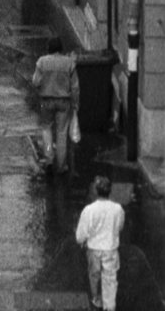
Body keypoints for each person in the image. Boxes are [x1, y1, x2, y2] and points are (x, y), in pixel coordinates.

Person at [31, 35, 80, 174]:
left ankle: (49, 158)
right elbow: (75, 87)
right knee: (61, 132)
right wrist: (75, 104)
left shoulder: (42, 62)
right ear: (61, 48)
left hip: (46, 101)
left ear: (49, 48)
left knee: (46, 128)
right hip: (64, 101)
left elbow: (35, 82)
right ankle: (62, 166)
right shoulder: (69, 63)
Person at [75, 174, 124, 310]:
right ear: (110, 191)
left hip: (93, 249)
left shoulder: (89, 210)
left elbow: (80, 235)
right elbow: (119, 227)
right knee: (110, 277)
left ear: (96, 191)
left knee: (94, 275)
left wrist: (82, 241)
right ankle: (109, 305)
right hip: (111, 248)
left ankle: (96, 298)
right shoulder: (118, 209)